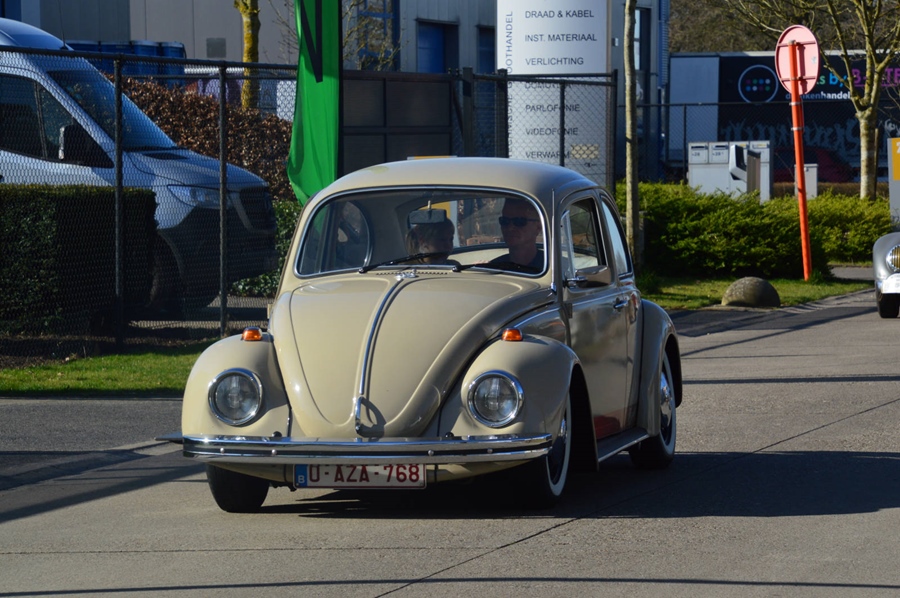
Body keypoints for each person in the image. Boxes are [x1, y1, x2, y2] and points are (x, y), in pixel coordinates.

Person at [490, 198, 543, 272]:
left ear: (538, 227)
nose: (510, 228)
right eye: (505, 221)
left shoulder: (553, 268)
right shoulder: (493, 268)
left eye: (519, 221)